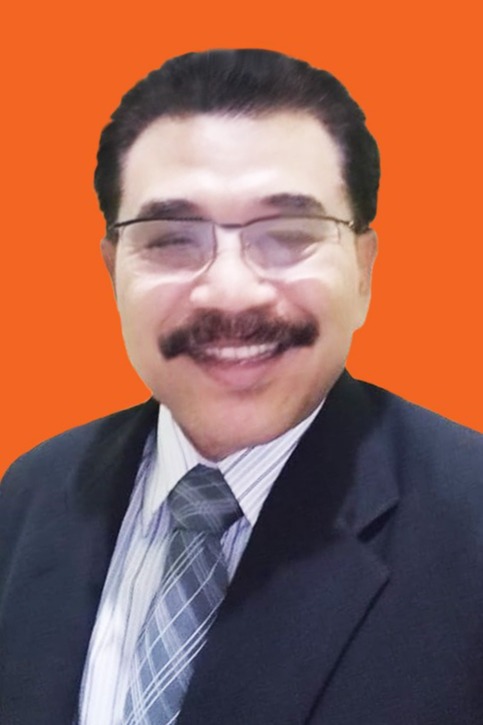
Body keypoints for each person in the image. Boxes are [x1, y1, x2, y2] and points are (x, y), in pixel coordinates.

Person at [1, 49, 482, 725]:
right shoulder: (32, 491)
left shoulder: (469, 517)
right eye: (171, 239)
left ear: (363, 270)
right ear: (113, 271)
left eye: (288, 234)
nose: (229, 291)